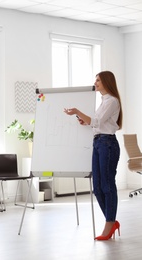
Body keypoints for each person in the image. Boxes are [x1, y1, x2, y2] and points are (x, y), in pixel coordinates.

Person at [64, 71, 122, 240]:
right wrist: (86, 121)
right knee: (97, 187)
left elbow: (97, 122)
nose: (95, 82)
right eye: (95, 79)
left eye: (98, 80)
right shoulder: (104, 101)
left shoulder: (112, 100)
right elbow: (97, 123)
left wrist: (77, 111)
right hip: (98, 143)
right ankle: (111, 221)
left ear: (106, 81)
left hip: (108, 144)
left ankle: (109, 223)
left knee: (107, 185)